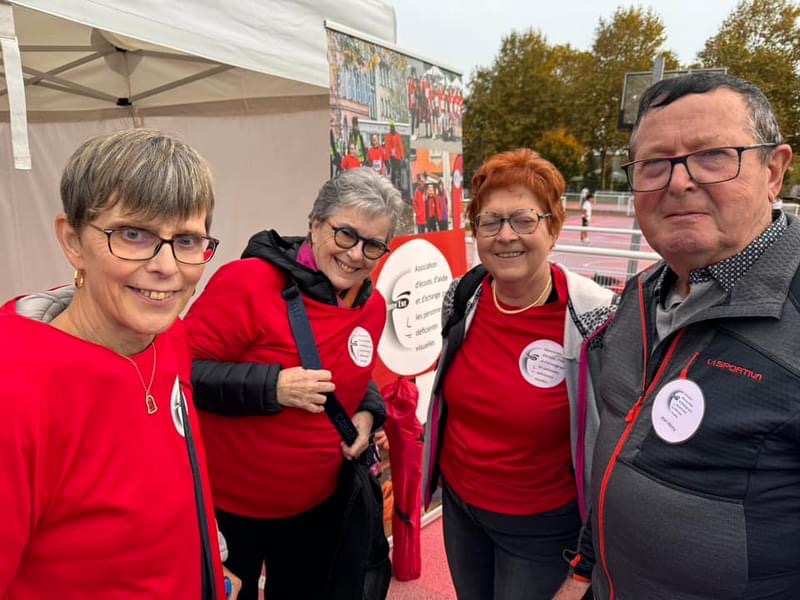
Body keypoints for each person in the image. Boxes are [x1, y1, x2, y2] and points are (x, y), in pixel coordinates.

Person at [554, 73, 796, 600]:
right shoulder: (637, 296)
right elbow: (616, 451)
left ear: (774, 171)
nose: (678, 182)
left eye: (713, 155)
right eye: (654, 164)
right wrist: (584, 570)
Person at [0, 128, 240, 598]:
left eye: (188, 240)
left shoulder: (169, 337)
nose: (167, 266)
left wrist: (209, 565)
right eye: (134, 234)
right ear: (72, 241)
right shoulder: (14, 390)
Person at [184, 167, 404, 600]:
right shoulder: (247, 282)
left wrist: (366, 411)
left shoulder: (372, 306)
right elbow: (182, 373)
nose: (356, 254)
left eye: (373, 245)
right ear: (315, 224)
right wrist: (274, 387)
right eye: (344, 235)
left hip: (316, 510)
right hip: (228, 511)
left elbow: (352, 375)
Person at [423, 148, 617, 600]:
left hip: (542, 526)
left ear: (554, 228)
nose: (506, 236)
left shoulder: (595, 317)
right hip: (462, 508)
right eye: (490, 221)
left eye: (524, 220)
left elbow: (610, 434)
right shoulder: (464, 297)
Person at [385, 122, 406, 191]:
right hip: (392, 156)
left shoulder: (398, 135)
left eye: (393, 127)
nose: (392, 129)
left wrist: (402, 156)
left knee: (399, 170)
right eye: (391, 127)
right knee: (393, 170)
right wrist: (387, 159)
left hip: (398, 156)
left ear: (394, 128)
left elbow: (400, 146)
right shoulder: (388, 136)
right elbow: (387, 148)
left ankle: (400, 184)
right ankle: (393, 184)